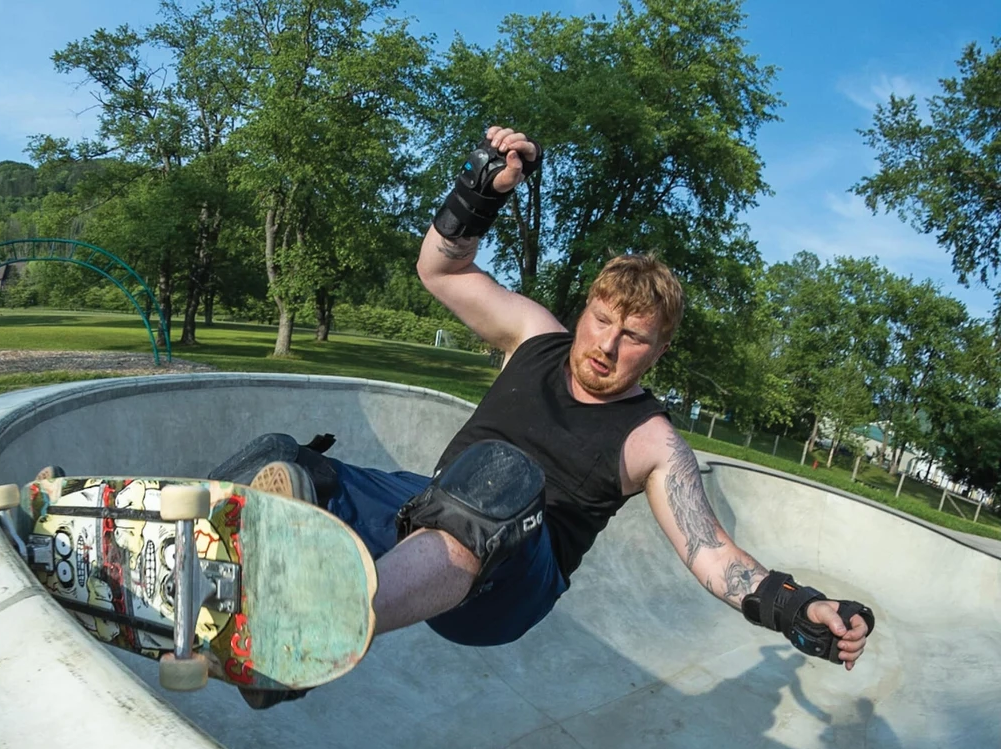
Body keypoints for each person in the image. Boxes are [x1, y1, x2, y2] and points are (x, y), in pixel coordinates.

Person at [214, 126, 874, 708]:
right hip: (426, 523)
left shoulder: (653, 442)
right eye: (602, 320)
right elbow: (441, 271)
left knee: (493, 481)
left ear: (658, 350)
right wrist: (483, 189)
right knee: (288, 463)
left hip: (510, 588)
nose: (607, 346)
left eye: (634, 337)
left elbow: (714, 557)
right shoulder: (534, 336)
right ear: (586, 310)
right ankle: (200, 588)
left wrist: (800, 608)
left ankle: (316, 634)